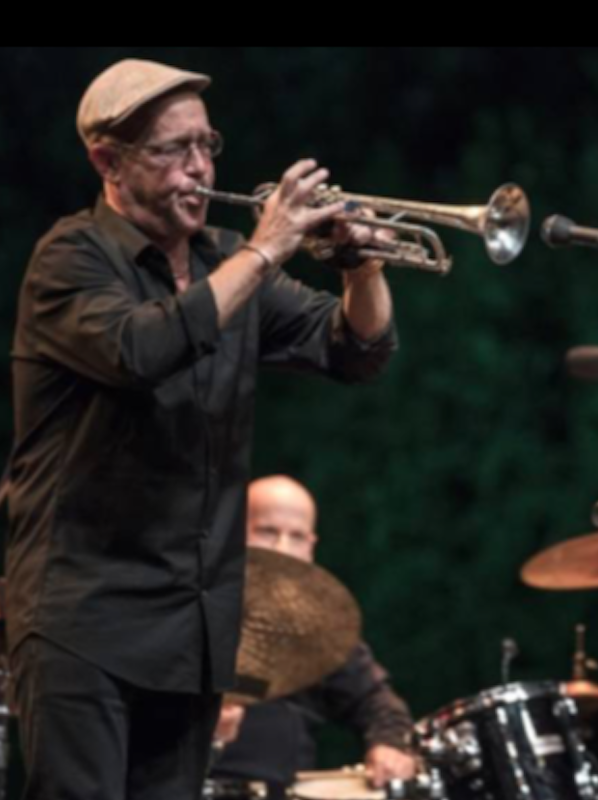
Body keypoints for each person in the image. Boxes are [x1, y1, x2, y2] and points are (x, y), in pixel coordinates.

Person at [5, 59, 397, 800]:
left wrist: (363, 270)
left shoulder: (223, 257)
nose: (199, 167)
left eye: (206, 144)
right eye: (173, 149)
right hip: (84, 617)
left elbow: (355, 351)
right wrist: (266, 248)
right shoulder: (71, 257)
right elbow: (141, 349)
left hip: (191, 628)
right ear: (108, 162)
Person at [210, 476, 417, 799]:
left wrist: (389, 744)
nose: (282, 548)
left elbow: (376, 702)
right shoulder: (190, 614)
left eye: (297, 537)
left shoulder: (316, 629)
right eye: (267, 531)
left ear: (311, 547)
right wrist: (201, 729)